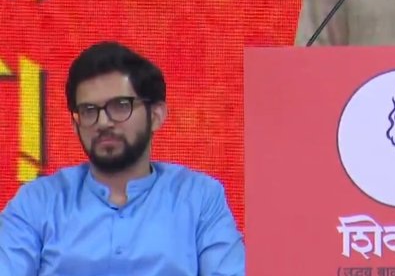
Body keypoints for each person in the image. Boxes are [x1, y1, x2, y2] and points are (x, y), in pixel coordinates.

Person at [0, 42, 245, 276]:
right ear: (75, 125)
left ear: (156, 115)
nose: (103, 122)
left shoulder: (199, 197)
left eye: (120, 105)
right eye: (89, 111)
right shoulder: (38, 201)